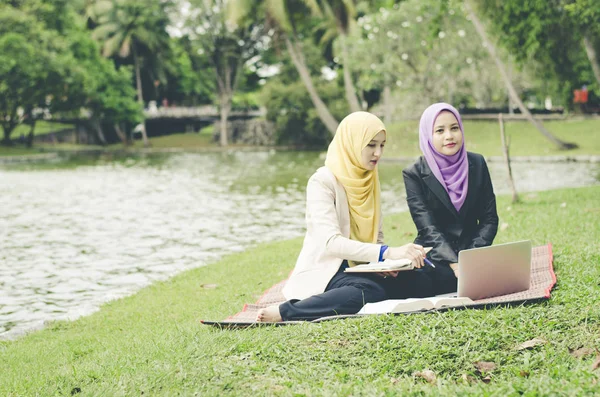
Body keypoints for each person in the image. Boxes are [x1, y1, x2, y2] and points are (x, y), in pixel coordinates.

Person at [257, 111, 431, 322]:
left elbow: (377, 237)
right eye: (371, 145)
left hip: (362, 268)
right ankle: (286, 311)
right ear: (352, 143)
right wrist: (387, 253)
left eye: (382, 145)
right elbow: (331, 243)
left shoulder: (369, 178)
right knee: (368, 292)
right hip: (329, 269)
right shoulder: (322, 181)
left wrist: (385, 267)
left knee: (425, 277)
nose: (378, 153)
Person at [402, 103, 498, 291]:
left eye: (454, 128)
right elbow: (428, 228)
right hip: (435, 256)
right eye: (439, 130)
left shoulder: (477, 163)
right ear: (428, 135)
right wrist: (455, 264)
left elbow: (489, 219)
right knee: (416, 282)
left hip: (473, 252)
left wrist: (469, 259)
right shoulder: (414, 173)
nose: (449, 136)